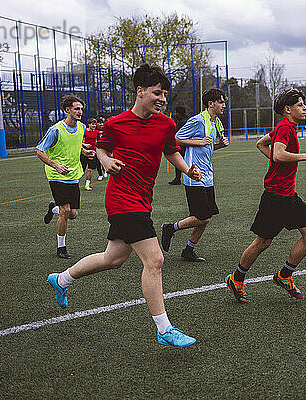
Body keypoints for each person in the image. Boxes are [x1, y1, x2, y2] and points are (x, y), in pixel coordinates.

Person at [46, 63, 201, 348]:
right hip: (122, 199)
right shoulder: (116, 123)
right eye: (157, 93)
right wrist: (104, 160)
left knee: (113, 259)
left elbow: (171, 150)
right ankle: (164, 329)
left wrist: (187, 169)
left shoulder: (166, 124)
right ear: (140, 91)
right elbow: (101, 149)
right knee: (155, 260)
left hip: (143, 198)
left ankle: (62, 279)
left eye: (165, 94)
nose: (163, 99)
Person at [225, 88, 306, 303]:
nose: (305, 108)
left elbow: (261, 143)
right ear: (287, 109)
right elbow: (278, 154)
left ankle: (284, 276)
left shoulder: (285, 126)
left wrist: (278, 162)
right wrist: (305, 156)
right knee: (262, 243)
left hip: (289, 196)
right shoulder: (286, 127)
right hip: (275, 198)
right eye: (299, 104)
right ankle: (236, 279)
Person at [160, 88, 229, 262]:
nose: (224, 105)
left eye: (224, 102)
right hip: (194, 175)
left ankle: (188, 250)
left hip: (208, 176)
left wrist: (219, 145)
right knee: (202, 217)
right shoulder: (198, 120)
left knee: (206, 218)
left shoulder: (215, 123)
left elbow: (207, 146)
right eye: (221, 102)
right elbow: (176, 138)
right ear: (210, 103)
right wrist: (198, 141)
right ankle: (171, 228)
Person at [37, 95, 95, 259]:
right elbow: (40, 151)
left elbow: (76, 146)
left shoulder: (82, 127)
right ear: (68, 110)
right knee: (65, 211)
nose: (80, 112)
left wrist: (85, 152)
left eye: (81, 109)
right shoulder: (56, 130)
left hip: (73, 176)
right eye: (77, 108)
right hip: (56, 175)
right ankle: (61, 248)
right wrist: (56, 166)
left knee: (73, 214)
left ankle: (53, 208)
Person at [168, 106, 188, 185]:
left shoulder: (182, 122)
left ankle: (178, 179)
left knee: (179, 162)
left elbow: (177, 133)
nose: (175, 114)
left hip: (182, 145)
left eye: (176, 112)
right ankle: (177, 178)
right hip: (183, 144)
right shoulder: (184, 120)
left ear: (179, 113)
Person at [81, 117, 103, 190]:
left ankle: (87, 185)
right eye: (92, 124)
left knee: (90, 169)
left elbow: (99, 141)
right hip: (84, 153)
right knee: (82, 170)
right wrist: (84, 145)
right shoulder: (84, 131)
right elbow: (79, 141)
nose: (94, 126)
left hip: (92, 153)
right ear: (89, 124)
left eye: (94, 125)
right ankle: (74, 183)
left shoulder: (96, 132)